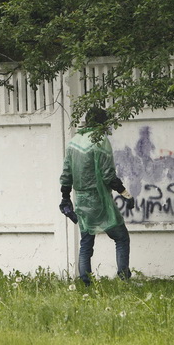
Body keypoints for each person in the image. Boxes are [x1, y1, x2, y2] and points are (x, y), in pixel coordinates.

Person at [59, 107, 135, 285]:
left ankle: (86, 283)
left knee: (86, 242)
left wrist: (65, 197)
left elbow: (66, 174)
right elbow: (108, 175)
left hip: (81, 201)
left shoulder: (73, 142)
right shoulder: (100, 141)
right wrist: (125, 194)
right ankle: (124, 278)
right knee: (121, 237)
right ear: (103, 123)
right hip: (100, 200)